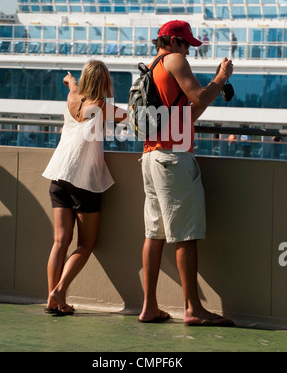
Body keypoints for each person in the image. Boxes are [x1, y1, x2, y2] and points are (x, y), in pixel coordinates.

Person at [138, 20, 234, 326]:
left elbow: (188, 114)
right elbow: (200, 98)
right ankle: (193, 308)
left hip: (152, 156)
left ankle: (149, 306)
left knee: (154, 235)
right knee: (186, 235)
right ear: (175, 41)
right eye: (188, 45)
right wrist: (221, 77)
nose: (189, 52)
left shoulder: (153, 66)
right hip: (173, 159)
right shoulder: (175, 60)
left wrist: (211, 89)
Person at [42, 60, 127, 315]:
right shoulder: (101, 106)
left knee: (59, 242)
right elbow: (136, 118)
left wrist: (72, 81)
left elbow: (73, 86)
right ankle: (59, 290)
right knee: (86, 244)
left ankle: (52, 300)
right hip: (84, 182)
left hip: (58, 175)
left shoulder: (72, 98)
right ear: (104, 82)